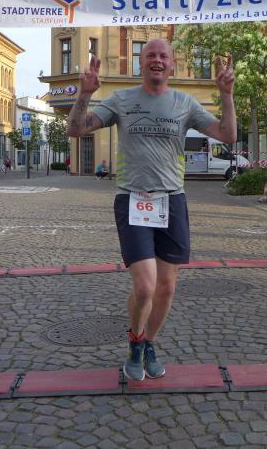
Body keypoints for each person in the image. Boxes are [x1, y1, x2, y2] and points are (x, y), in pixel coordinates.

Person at [67, 39, 236, 381]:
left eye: (163, 56)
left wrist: (226, 95)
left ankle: (149, 343)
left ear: (172, 64)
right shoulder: (122, 99)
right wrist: (84, 94)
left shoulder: (185, 103)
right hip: (132, 200)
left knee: (166, 288)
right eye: (150, 56)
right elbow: (75, 129)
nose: (157, 60)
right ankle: (135, 341)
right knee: (145, 287)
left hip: (172, 200)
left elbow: (228, 135)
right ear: (140, 63)